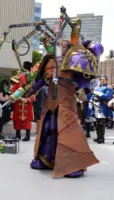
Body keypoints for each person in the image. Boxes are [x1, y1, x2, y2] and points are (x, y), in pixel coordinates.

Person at [29, 18, 103, 178]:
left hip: (67, 103)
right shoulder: (48, 61)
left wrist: (78, 85)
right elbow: (37, 83)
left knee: (69, 132)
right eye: (58, 45)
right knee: (48, 130)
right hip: (50, 103)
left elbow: (84, 82)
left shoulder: (73, 61)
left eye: (63, 45)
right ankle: (46, 159)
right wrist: (28, 90)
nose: (59, 46)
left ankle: (72, 165)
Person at [89, 75, 113, 144]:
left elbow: (107, 96)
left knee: (101, 123)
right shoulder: (97, 87)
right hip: (95, 106)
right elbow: (93, 95)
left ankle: (102, 138)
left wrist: (97, 93)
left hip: (102, 106)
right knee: (96, 123)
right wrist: (91, 102)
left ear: (106, 80)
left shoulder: (108, 87)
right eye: (101, 79)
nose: (102, 80)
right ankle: (98, 137)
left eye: (103, 79)